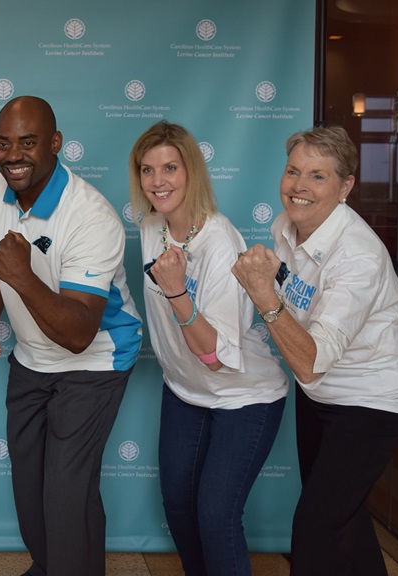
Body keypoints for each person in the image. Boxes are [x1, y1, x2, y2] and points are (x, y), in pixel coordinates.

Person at [231, 126, 398, 576]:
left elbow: (312, 363)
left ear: (346, 186)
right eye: (293, 171)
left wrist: (263, 295)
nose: (299, 186)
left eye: (318, 176)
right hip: (321, 397)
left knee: (315, 529)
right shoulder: (287, 225)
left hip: (372, 402)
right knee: (343, 519)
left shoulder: (358, 256)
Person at [0, 95, 142, 576]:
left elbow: (80, 333)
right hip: (30, 358)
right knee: (30, 493)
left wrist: (22, 277)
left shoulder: (90, 215)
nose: (13, 155)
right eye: (3, 143)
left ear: (56, 144)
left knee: (66, 492)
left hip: (95, 361)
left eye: (28, 142)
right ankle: (49, 567)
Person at [130, 121, 288, 576]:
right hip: (184, 389)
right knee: (179, 506)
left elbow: (215, 356)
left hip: (243, 394)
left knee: (216, 516)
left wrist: (178, 291)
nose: (158, 181)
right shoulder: (151, 228)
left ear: (192, 171)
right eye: (147, 170)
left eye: (170, 168)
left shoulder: (220, 241)